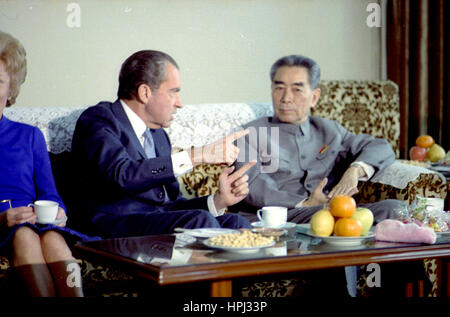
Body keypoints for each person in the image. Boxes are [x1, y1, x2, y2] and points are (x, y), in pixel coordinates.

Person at [71, 50, 255, 238]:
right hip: (112, 226)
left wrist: (219, 200)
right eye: (173, 92)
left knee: (236, 224)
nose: (179, 103)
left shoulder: (159, 135)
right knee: (200, 222)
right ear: (145, 93)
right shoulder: (99, 120)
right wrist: (199, 155)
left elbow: (170, 205)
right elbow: (122, 175)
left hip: (153, 225)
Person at [233, 54, 405, 224]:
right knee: (338, 218)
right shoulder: (251, 133)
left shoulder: (330, 130)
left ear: (314, 97)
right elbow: (251, 185)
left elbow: (379, 146)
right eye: (279, 88)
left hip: (326, 213)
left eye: (297, 89)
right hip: (277, 218)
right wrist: (304, 204)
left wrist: (354, 171)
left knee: (394, 208)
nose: (286, 98)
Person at [0, 31, 95, 297]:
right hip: (6, 230)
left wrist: (59, 213)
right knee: (24, 236)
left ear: (11, 89)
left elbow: (50, 194)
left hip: (33, 222)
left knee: (53, 237)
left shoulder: (29, 136)